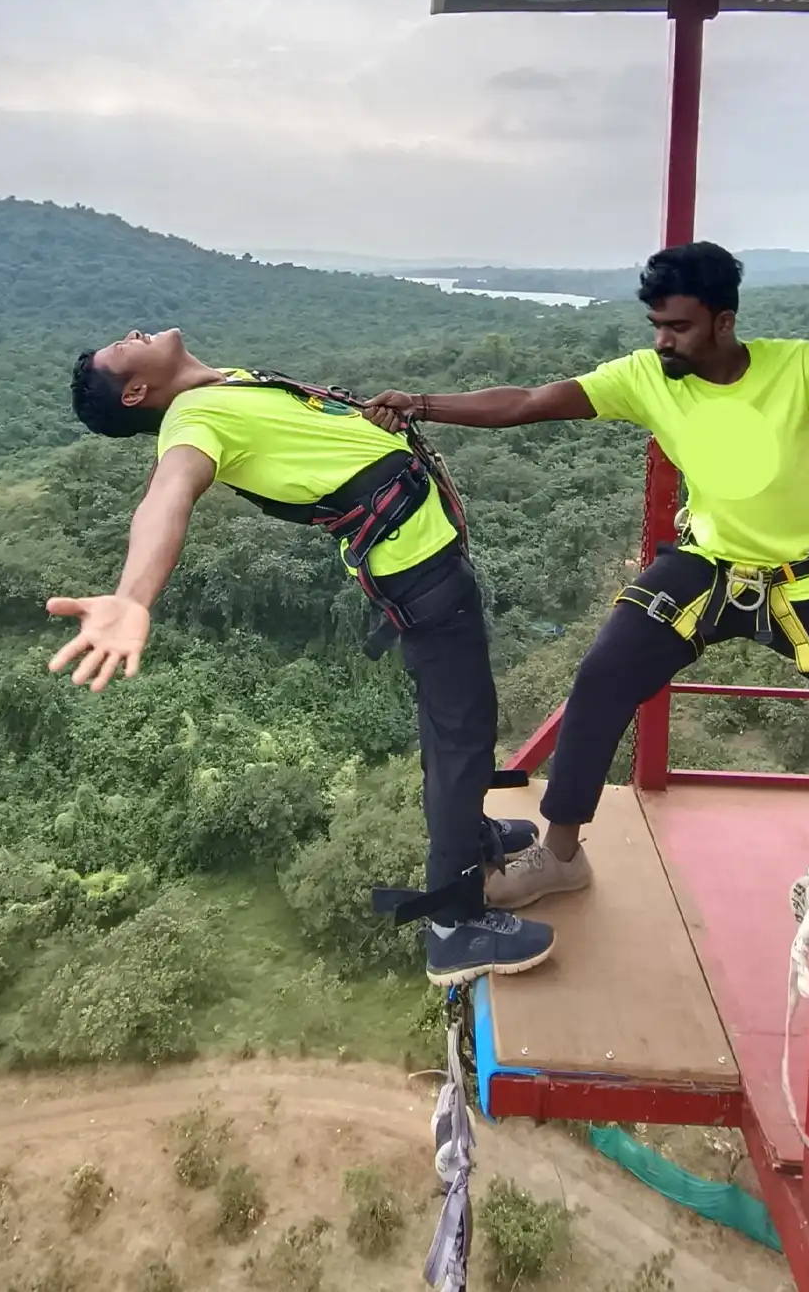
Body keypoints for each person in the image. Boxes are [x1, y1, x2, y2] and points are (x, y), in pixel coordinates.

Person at [363, 241, 809, 908]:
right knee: (603, 675)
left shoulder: (799, 368)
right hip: (705, 566)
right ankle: (562, 855)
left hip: (803, 577)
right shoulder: (648, 376)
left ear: (724, 321)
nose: (663, 340)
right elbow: (532, 400)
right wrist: (423, 404)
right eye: (657, 325)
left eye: (679, 327)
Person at [45, 328, 554, 984]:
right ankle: (456, 928)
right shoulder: (192, 422)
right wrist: (132, 596)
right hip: (417, 571)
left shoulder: (222, 381)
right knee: (463, 733)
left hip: (422, 553)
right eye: (120, 349)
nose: (130, 334)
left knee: (451, 724)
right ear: (138, 390)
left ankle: (473, 835)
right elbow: (166, 496)